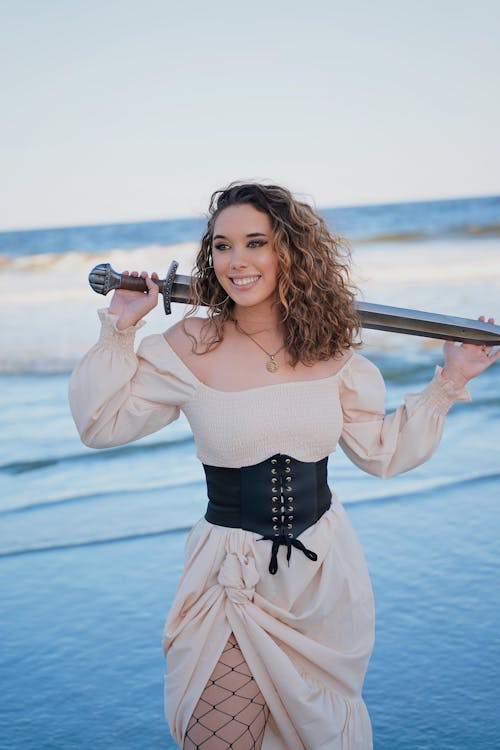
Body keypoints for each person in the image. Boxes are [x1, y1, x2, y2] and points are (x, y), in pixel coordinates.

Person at [68, 182, 498, 750]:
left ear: (290, 252)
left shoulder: (331, 348)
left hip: (322, 580)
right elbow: (100, 424)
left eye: (255, 243)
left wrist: (451, 381)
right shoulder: (189, 343)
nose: (237, 262)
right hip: (229, 579)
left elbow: (382, 453)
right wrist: (120, 326)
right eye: (222, 246)